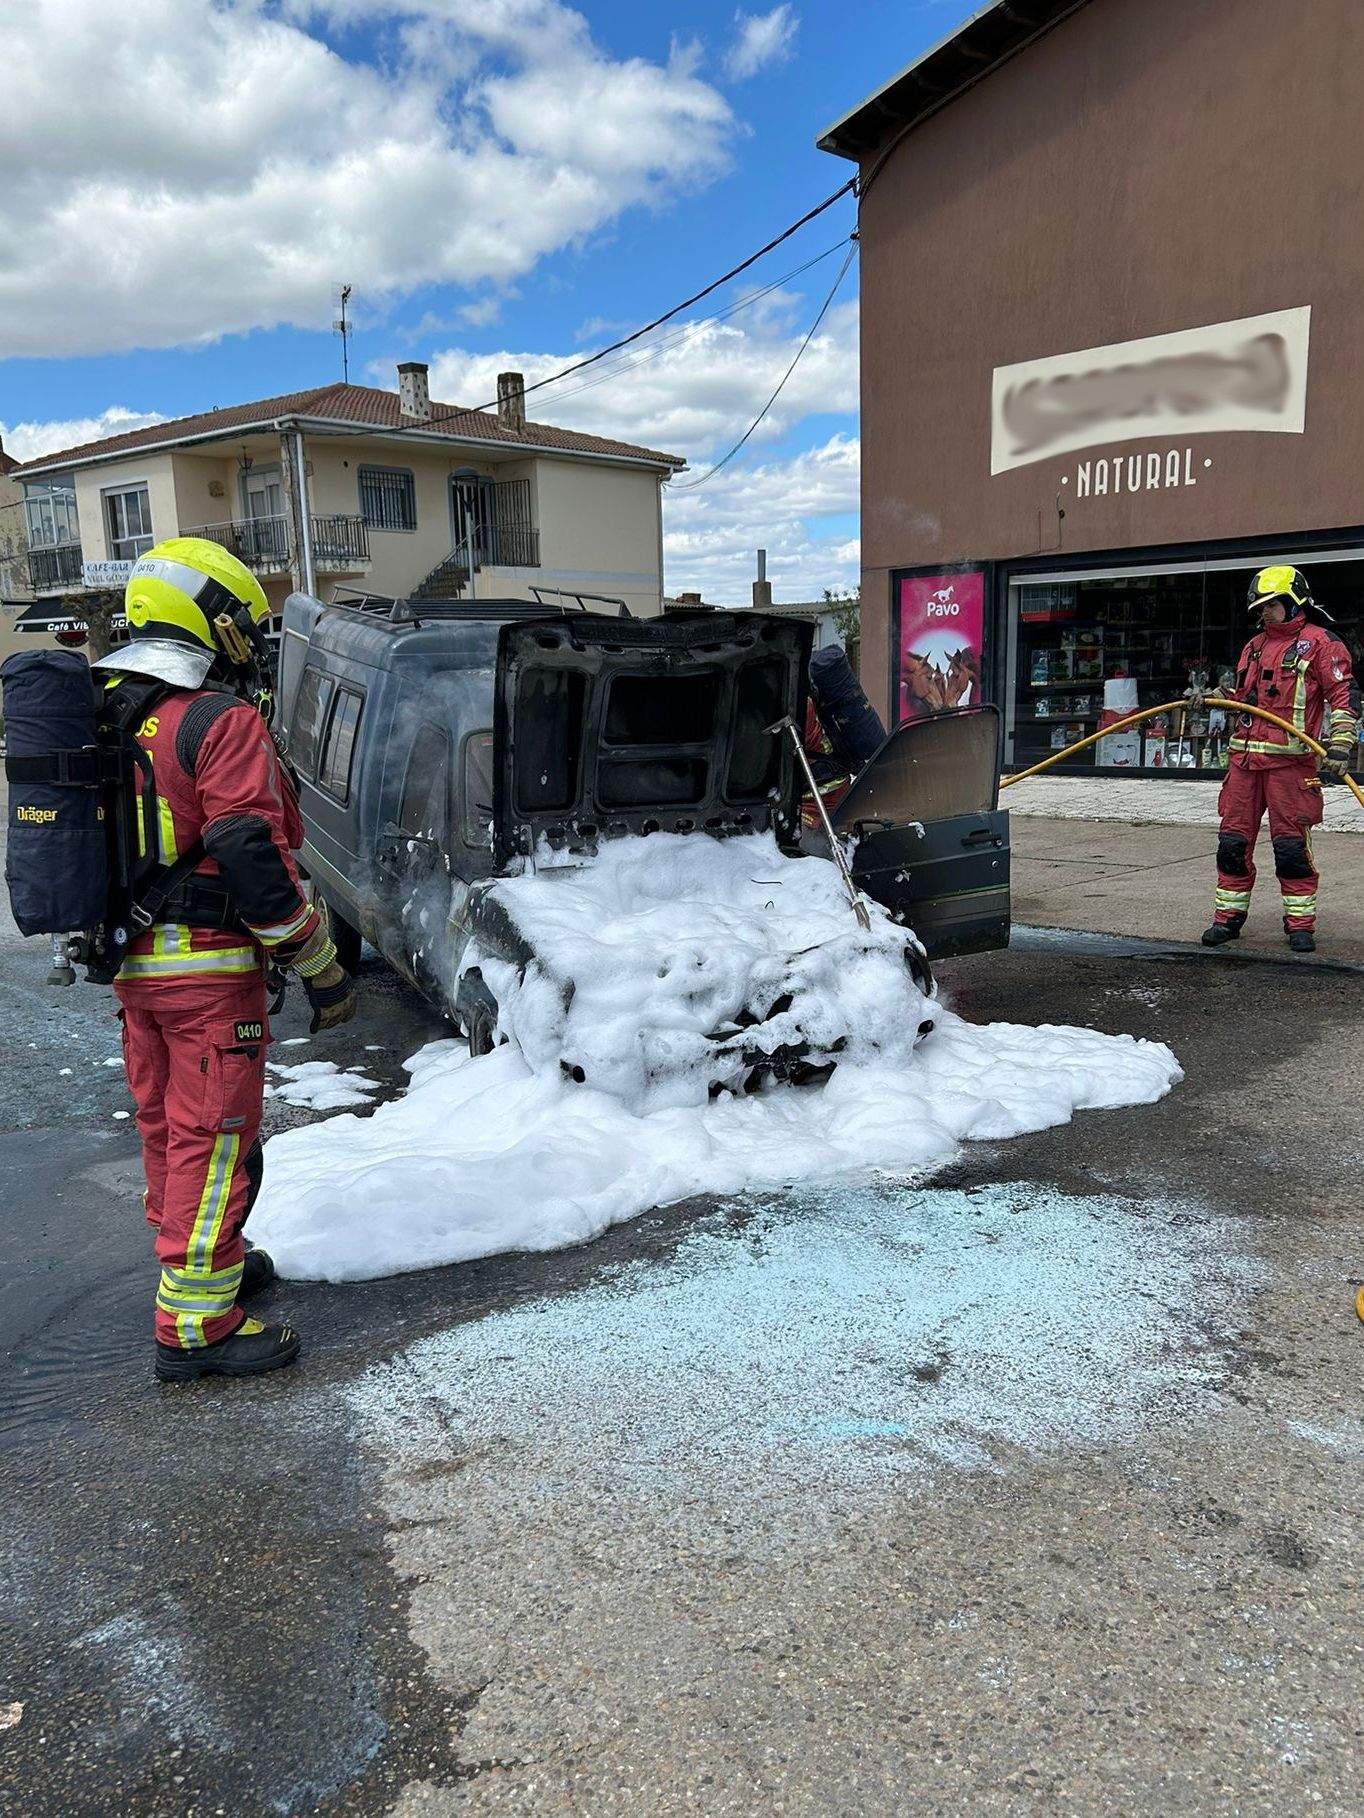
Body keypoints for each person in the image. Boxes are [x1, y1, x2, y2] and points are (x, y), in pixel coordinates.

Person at [96, 538, 357, 1382]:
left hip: (135, 967)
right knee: (216, 1143)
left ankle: (206, 1263)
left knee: (171, 1130)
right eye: (240, 621)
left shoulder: (108, 711)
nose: (248, 637)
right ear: (209, 621)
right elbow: (251, 851)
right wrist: (319, 965)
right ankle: (196, 1327)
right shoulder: (216, 719)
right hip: (209, 972)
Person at [1201, 565, 1356, 955]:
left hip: (1291, 767)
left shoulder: (1321, 644)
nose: (1265, 612)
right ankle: (1228, 919)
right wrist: (1216, 698)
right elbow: (1247, 701)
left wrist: (1340, 746)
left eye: (1272, 605)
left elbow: (1344, 698)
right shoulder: (1252, 647)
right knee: (1232, 844)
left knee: (1290, 849)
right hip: (1244, 765)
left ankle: (1300, 925)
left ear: (1293, 602)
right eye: (1261, 606)